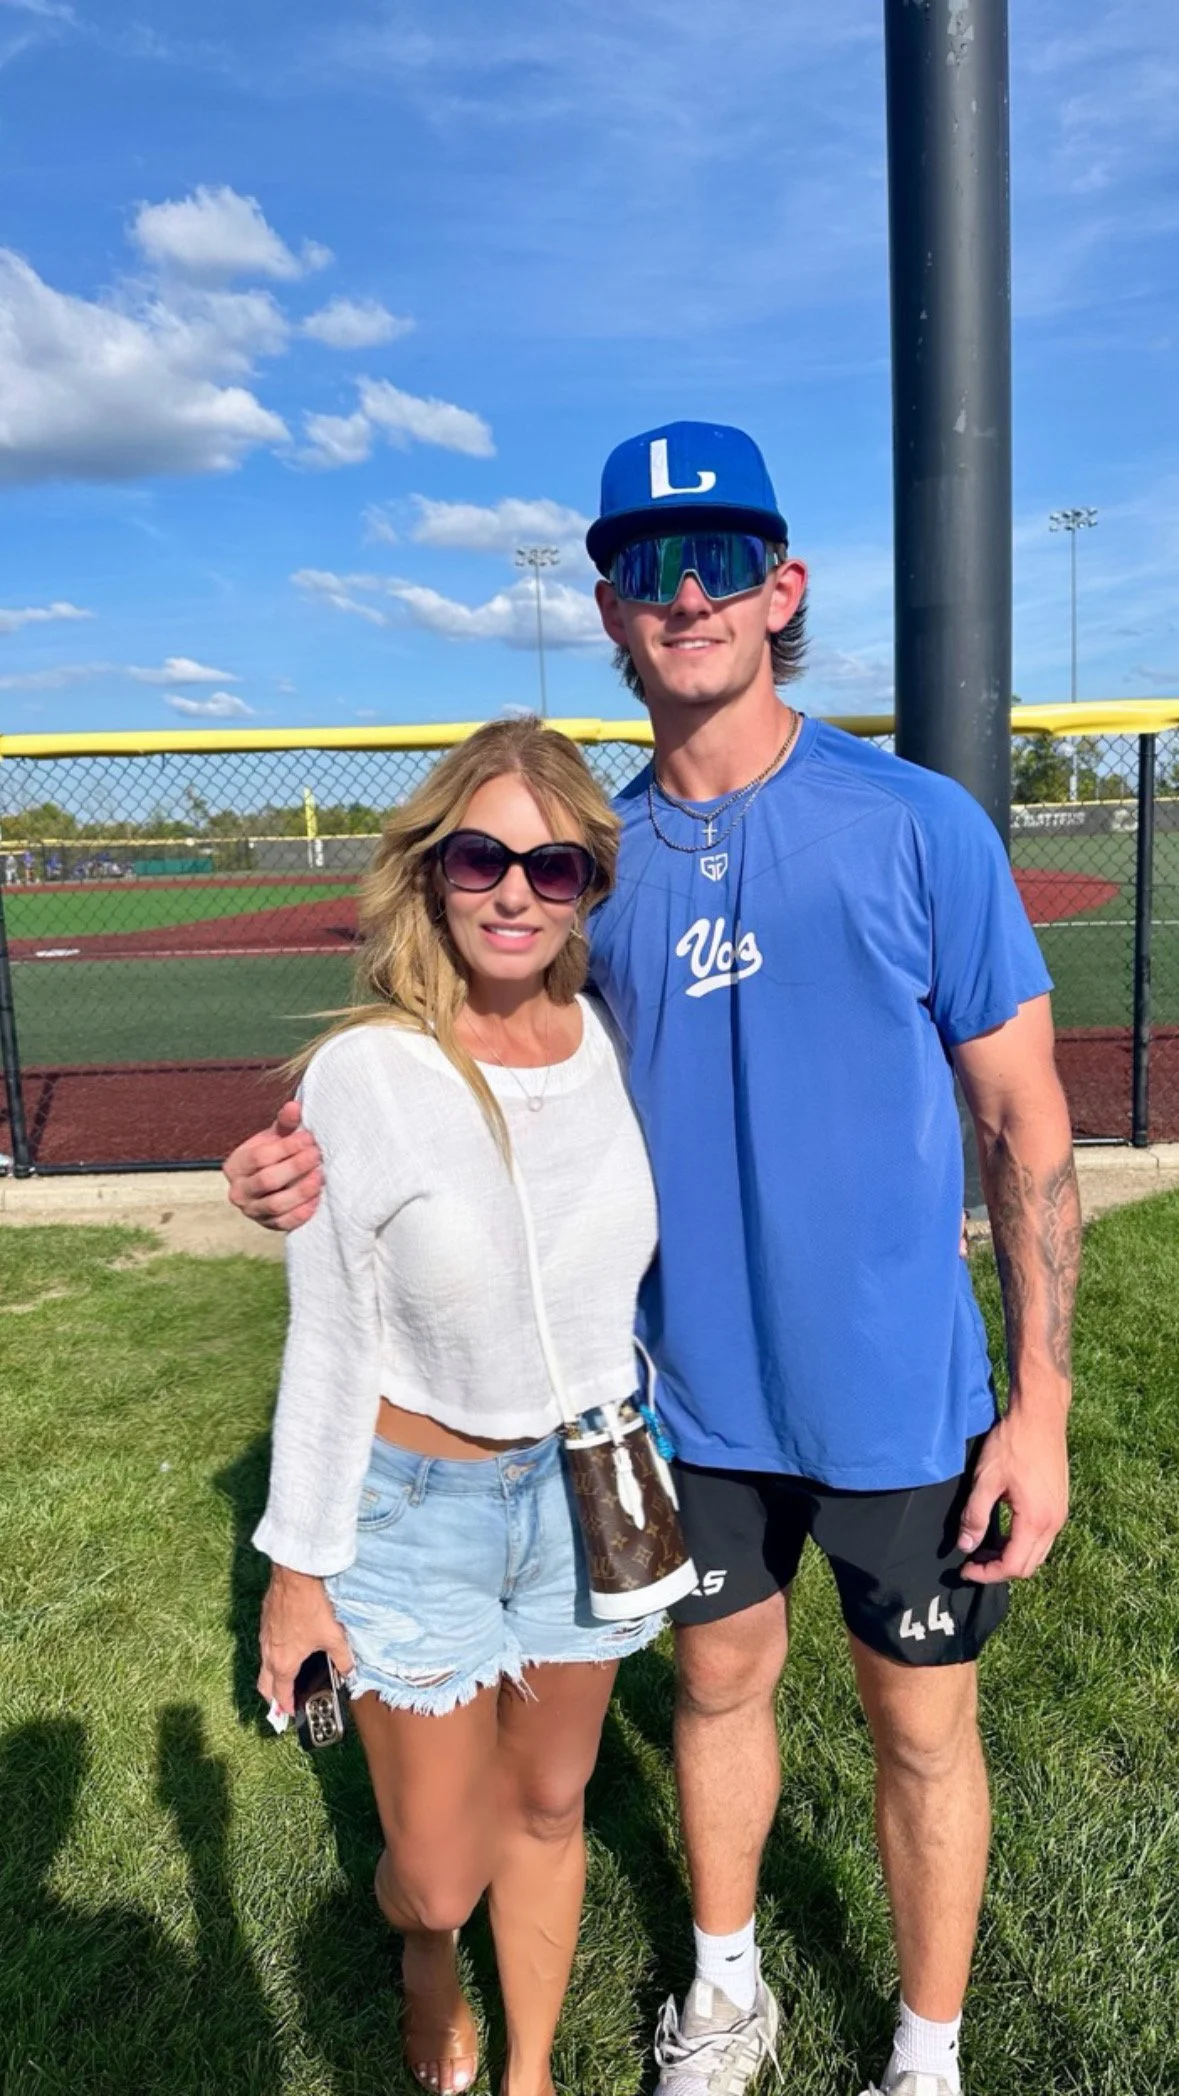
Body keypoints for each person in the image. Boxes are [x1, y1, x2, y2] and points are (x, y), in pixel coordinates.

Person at [227, 422, 1080, 2096]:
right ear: (606, 616)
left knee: (918, 1727)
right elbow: (446, 1058)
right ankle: (723, 1988)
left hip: (902, 1393)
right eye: (640, 568)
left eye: (714, 561)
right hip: (676, 1404)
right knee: (717, 1692)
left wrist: (1038, 1404)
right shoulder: (585, 869)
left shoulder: (916, 826)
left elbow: (1027, 1129)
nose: (679, 595)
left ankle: (925, 2049)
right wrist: (285, 1164)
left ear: (783, 590)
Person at [252, 716, 665, 2096]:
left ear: (589, 890)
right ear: (430, 869)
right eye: (482, 855)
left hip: (592, 1488)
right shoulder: (365, 1074)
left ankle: (530, 2073)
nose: (513, 892)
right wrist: (296, 1574)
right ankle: (430, 1960)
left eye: (554, 869)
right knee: (436, 1878)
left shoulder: (611, 1038)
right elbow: (328, 1333)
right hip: (413, 1507)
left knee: (549, 1807)